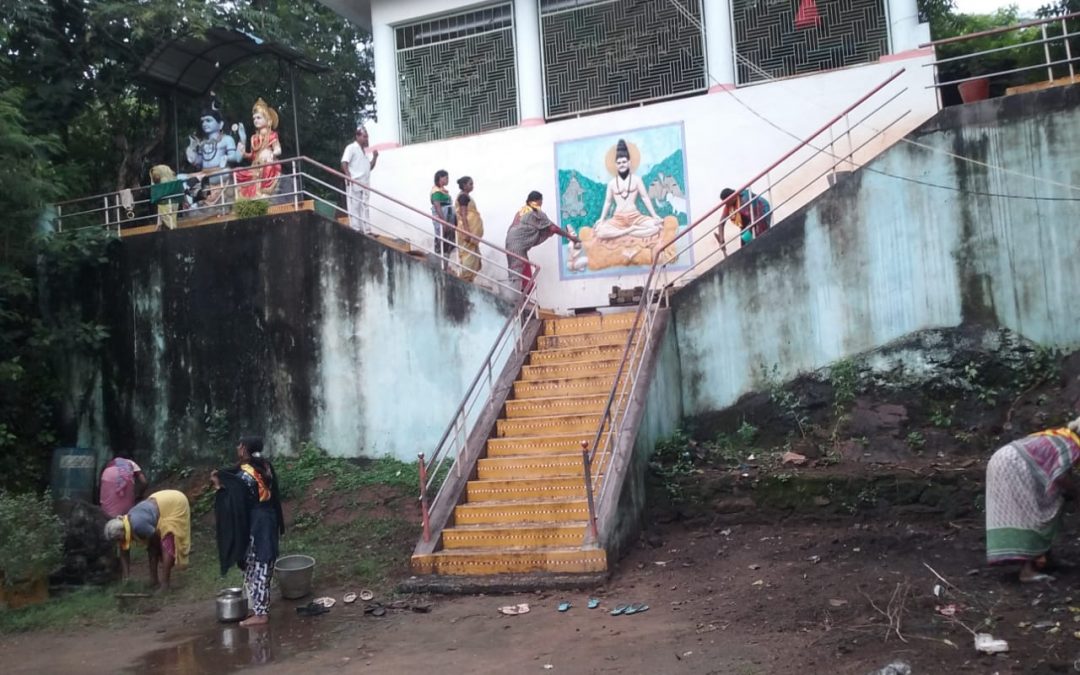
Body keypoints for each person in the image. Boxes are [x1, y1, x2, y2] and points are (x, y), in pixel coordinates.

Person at [986, 417, 1080, 583]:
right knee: (1029, 515)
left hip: (1005, 460)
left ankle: (1045, 557)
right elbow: (1060, 476)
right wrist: (1077, 492)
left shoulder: (1062, 437)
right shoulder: (1071, 445)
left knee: (1053, 504)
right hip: (1014, 465)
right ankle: (1027, 571)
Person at [211, 436, 284, 627]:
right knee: (261, 562)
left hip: (257, 523)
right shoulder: (265, 466)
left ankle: (261, 614)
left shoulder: (246, 474)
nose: (237, 448)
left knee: (258, 564)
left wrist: (219, 487)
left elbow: (233, 501)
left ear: (244, 449)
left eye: (239, 445)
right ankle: (260, 608)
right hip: (268, 519)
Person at [103, 489, 191, 590]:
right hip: (159, 500)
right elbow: (124, 553)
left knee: (166, 543)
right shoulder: (124, 525)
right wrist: (126, 580)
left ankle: (165, 584)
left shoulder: (137, 525)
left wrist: (160, 554)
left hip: (174, 503)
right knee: (153, 548)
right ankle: (154, 581)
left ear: (122, 531)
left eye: (118, 539)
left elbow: (156, 539)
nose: (118, 542)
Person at [505, 191, 581, 294]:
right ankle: (517, 301)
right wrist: (570, 237)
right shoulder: (535, 212)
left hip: (510, 243)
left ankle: (521, 300)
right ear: (537, 201)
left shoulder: (522, 210)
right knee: (520, 278)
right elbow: (553, 228)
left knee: (522, 277)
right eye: (541, 201)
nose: (541, 204)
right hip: (518, 247)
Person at [594, 139, 663, 241]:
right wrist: (602, 219)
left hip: (635, 217)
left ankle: (625, 232)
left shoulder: (636, 180)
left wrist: (654, 215)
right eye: (619, 163)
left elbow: (645, 198)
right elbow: (608, 202)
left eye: (624, 162)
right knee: (600, 232)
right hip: (618, 219)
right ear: (616, 165)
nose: (622, 164)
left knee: (656, 227)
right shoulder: (612, 183)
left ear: (629, 163)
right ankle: (630, 231)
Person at [234, 98, 283, 200]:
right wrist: (243, 153)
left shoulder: (272, 135)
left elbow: (278, 149)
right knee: (236, 172)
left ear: (268, 120)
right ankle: (242, 196)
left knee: (268, 166)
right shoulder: (254, 138)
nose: (255, 120)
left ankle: (265, 192)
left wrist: (271, 153)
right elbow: (252, 156)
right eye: (254, 118)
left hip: (268, 163)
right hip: (255, 167)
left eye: (259, 118)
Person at [341, 125, 379, 234]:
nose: (367, 139)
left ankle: (367, 230)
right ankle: (356, 229)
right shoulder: (351, 148)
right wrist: (348, 175)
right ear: (357, 136)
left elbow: (369, 168)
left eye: (367, 137)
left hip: (365, 184)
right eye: (364, 136)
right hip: (355, 183)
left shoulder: (364, 153)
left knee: (365, 206)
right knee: (355, 206)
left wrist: (375, 157)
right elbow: (344, 162)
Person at [717, 187, 772, 251]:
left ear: (732, 197)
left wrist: (747, 233)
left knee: (747, 238)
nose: (726, 204)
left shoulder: (744, 198)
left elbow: (756, 216)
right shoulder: (728, 206)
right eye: (724, 202)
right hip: (748, 220)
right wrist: (722, 240)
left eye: (727, 202)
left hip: (761, 210)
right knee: (744, 241)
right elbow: (721, 223)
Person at [454, 176, 484, 283]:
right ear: (464, 185)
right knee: (468, 256)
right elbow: (463, 214)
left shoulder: (467, 197)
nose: (472, 186)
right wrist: (467, 231)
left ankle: (469, 279)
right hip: (466, 231)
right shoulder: (463, 197)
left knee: (474, 257)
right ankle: (464, 279)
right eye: (470, 184)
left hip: (471, 232)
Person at [429, 170, 456, 270]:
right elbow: (437, 205)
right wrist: (443, 221)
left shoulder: (443, 190)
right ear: (440, 178)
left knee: (448, 242)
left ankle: (445, 265)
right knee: (442, 240)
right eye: (445, 177)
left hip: (449, 218)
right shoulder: (436, 191)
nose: (447, 179)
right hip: (443, 218)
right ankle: (440, 265)